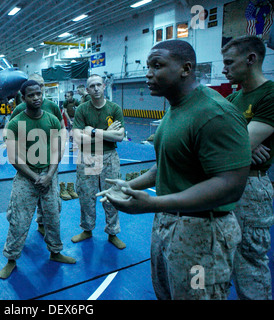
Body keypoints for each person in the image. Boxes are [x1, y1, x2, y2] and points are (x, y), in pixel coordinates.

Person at [97, 39, 252, 300]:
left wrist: (153, 204)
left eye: (157, 65)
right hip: (170, 224)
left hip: (204, 233)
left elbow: (230, 186)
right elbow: (169, 163)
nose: (148, 73)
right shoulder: (176, 110)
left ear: (186, 68)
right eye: (148, 66)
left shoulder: (214, 113)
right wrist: (130, 185)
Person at [0, 80, 76, 279]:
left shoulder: (51, 119)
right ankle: (11, 259)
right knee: (20, 219)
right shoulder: (16, 123)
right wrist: (35, 177)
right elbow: (13, 157)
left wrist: (49, 175)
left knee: (52, 216)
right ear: (23, 98)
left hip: (48, 175)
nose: (36, 98)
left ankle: (56, 252)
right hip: (26, 178)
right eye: (31, 95)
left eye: (38, 94)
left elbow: (57, 149)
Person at [221, 35, 274, 300]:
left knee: (250, 260)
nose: (224, 69)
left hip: (251, 186)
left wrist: (244, 144)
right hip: (225, 182)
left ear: (251, 59)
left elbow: (236, 144)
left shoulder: (270, 94)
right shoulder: (232, 100)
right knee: (225, 250)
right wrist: (245, 144)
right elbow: (214, 139)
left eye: (229, 62)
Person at [71, 74, 126, 250]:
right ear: (87, 90)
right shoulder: (82, 109)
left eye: (98, 85)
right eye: (92, 86)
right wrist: (106, 134)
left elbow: (120, 136)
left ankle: (112, 232)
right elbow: (78, 139)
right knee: (86, 196)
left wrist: (93, 131)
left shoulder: (114, 108)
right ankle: (87, 229)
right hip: (87, 157)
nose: (95, 88)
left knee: (111, 195)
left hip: (109, 156)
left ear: (104, 86)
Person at [8, 73, 68, 235]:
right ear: (24, 96)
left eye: (41, 88)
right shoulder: (20, 110)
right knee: (20, 208)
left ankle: (43, 224)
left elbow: (61, 127)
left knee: (51, 204)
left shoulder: (52, 107)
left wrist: (60, 147)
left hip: (48, 163)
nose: (37, 94)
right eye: (33, 91)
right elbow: (14, 132)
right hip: (28, 164)